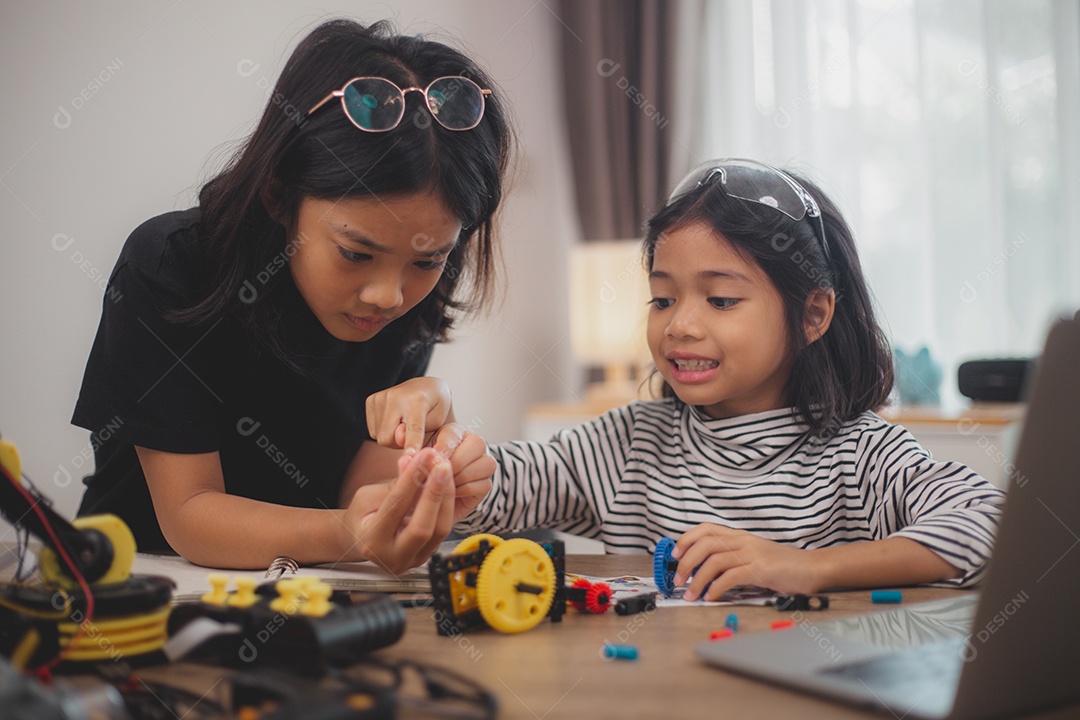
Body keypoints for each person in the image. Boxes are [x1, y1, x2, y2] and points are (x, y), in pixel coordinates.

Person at [455, 159, 1004, 600]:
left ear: (812, 315)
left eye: (721, 300)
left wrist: (808, 568)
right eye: (663, 298)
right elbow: (500, 488)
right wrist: (450, 468)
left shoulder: (859, 456)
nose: (680, 325)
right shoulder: (627, 444)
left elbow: (993, 527)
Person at [71, 19, 509, 573]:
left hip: (304, 589)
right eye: (355, 253)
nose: (387, 296)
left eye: (428, 259)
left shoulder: (407, 295)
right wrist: (349, 533)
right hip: (138, 583)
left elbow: (360, 494)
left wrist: (428, 474)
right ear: (280, 192)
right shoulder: (170, 266)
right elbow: (189, 516)